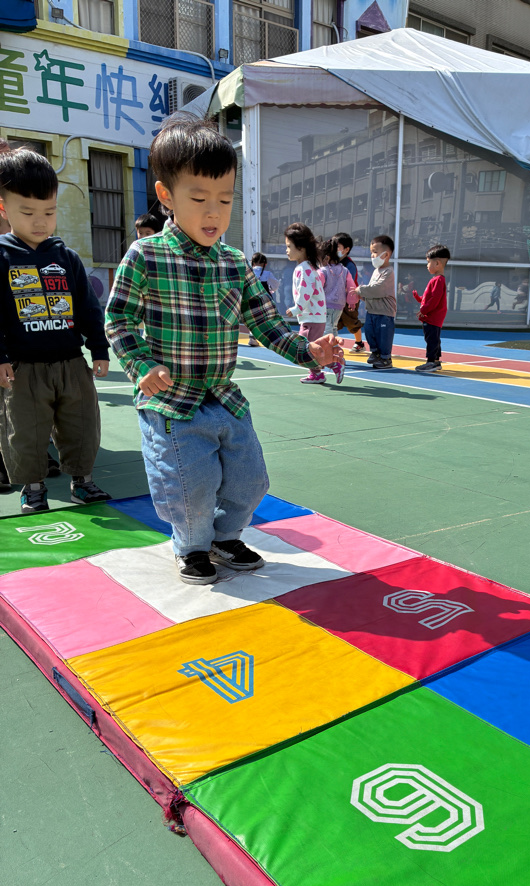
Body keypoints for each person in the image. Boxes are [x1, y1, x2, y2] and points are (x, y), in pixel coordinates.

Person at [105, 115, 342, 585]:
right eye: (199, 199)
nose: (213, 212)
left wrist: (308, 351)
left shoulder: (234, 263)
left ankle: (225, 535)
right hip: (172, 402)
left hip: (224, 397)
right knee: (189, 487)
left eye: (225, 199)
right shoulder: (146, 255)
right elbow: (118, 319)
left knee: (251, 479)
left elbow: (266, 323)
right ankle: (192, 546)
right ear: (167, 196)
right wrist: (140, 364)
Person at [0, 146, 111, 512]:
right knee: (26, 431)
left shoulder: (67, 258)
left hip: (71, 363)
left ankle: (83, 482)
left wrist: (98, 348)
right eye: (28, 212)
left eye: (49, 212)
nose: (40, 222)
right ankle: (33, 488)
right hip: (23, 369)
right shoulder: (2, 257)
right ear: (3, 208)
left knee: (82, 425)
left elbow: (89, 308)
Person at [284, 223, 343, 386]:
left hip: (312, 318)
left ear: (301, 248)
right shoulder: (307, 267)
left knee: (307, 349)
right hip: (313, 317)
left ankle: (333, 364)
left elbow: (305, 291)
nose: (286, 250)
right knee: (310, 348)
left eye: (289, 246)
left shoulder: (304, 269)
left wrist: (296, 308)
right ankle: (319, 372)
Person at [353, 234, 396, 370]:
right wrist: (363, 297)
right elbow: (372, 290)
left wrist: (361, 290)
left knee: (383, 336)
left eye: (375, 252)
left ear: (386, 255)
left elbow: (378, 289)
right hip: (372, 310)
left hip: (384, 312)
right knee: (370, 332)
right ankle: (375, 353)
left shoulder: (388, 271)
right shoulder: (376, 271)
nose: (372, 256)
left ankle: (385, 358)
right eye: (372, 252)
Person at [412, 244, 450, 373]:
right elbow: (428, 298)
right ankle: (436, 361)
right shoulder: (437, 280)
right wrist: (418, 298)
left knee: (431, 339)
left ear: (437, 263)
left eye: (429, 262)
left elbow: (434, 300)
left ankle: (431, 362)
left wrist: (423, 310)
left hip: (432, 317)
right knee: (434, 338)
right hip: (433, 317)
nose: (427, 265)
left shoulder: (438, 280)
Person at [318, 237, 355, 359]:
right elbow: (351, 287)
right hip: (339, 306)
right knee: (333, 329)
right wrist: (352, 302)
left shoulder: (323, 271)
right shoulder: (345, 270)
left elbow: (317, 288)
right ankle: (335, 353)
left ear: (326, 257)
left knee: (327, 331)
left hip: (326, 306)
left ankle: (329, 356)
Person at [332, 231, 364, 353]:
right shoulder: (331, 262)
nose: (333, 249)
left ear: (346, 249)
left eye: (337, 247)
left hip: (350, 299)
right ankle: (332, 344)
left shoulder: (349, 265)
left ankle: (359, 343)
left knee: (351, 322)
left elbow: (349, 284)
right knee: (333, 322)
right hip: (335, 298)